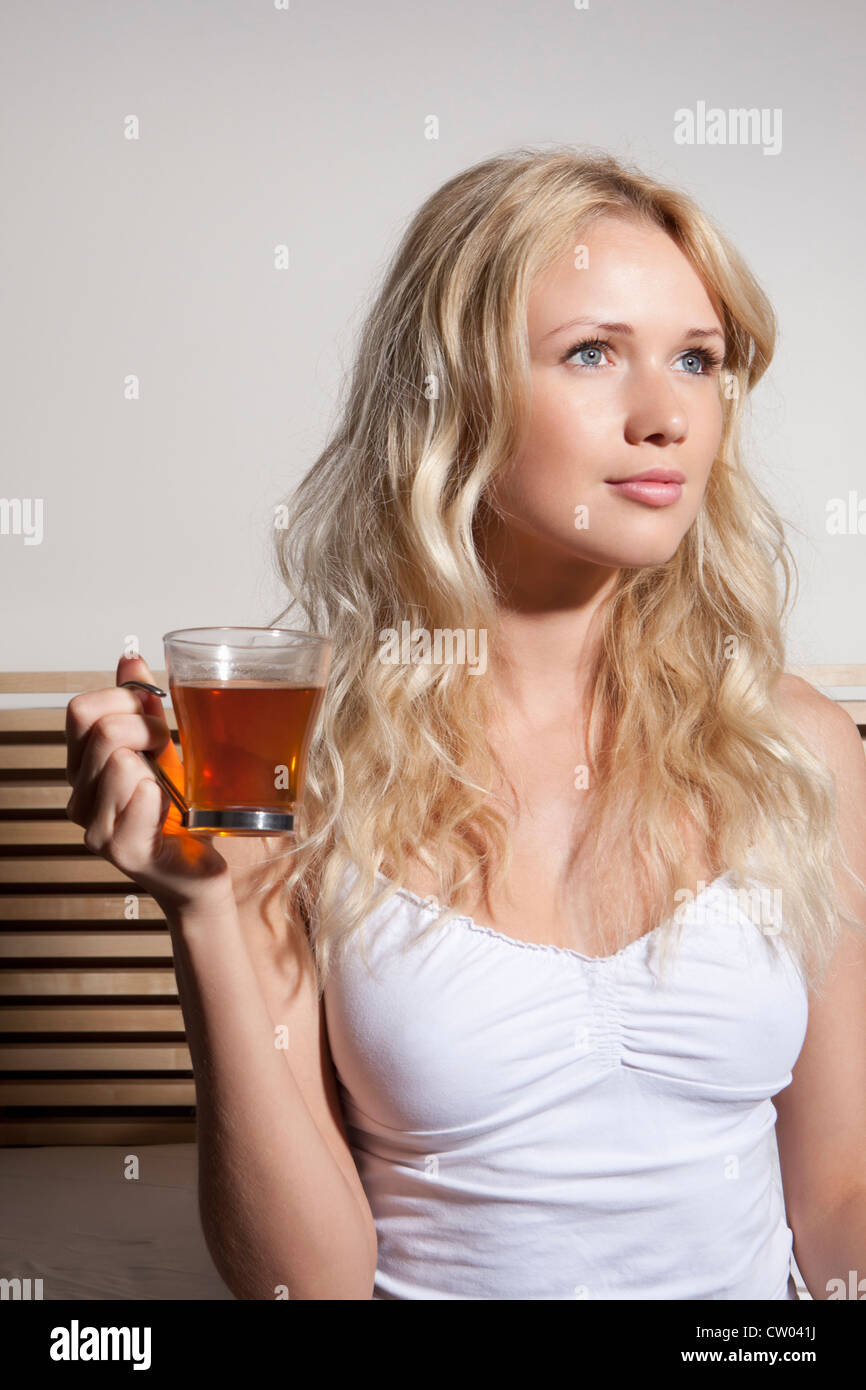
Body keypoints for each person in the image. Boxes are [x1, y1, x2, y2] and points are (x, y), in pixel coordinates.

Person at [65, 146, 866, 1301]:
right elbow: (308, 1286)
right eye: (590, 352)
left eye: (694, 360)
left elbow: (836, 1199)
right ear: (451, 393)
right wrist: (206, 913)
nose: (666, 415)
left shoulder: (792, 747)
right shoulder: (290, 750)